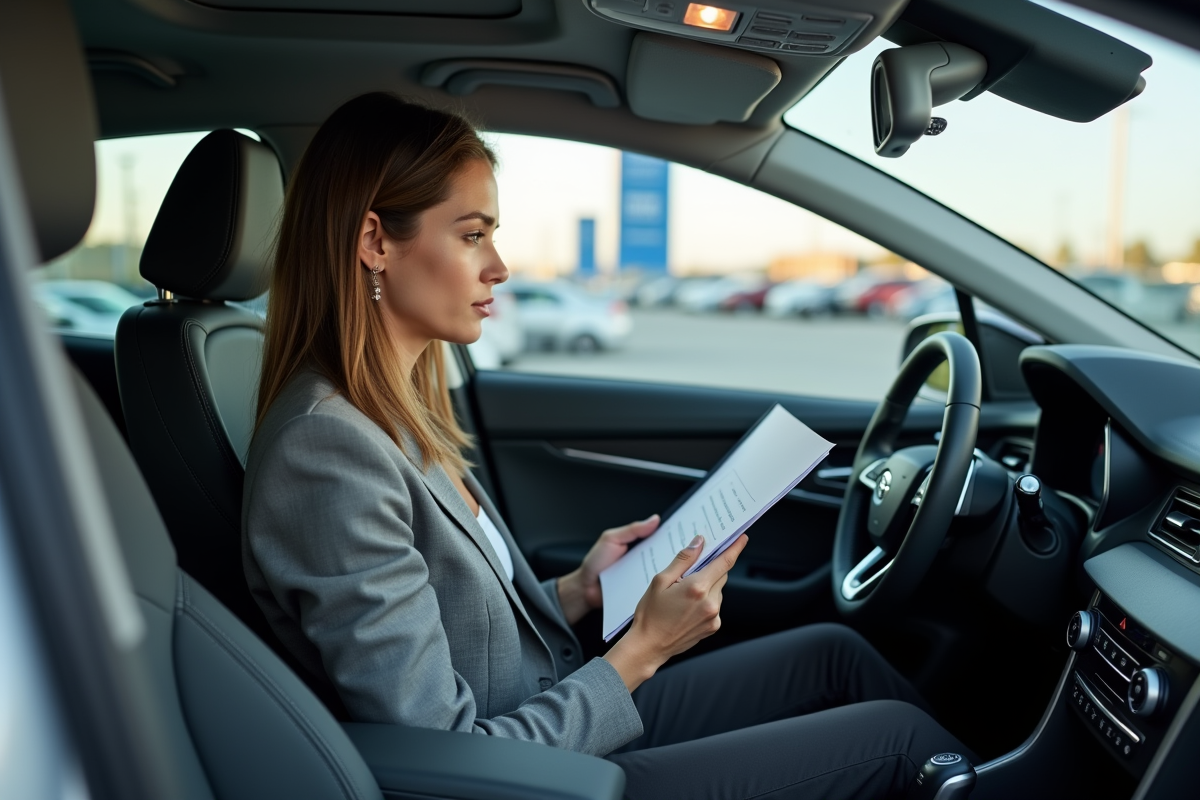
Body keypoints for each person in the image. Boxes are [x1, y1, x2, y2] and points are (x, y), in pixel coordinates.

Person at [242, 92, 973, 800]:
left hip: (546, 716)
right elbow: (447, 751)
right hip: (526, 776)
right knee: (903, 745)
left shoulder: (392, 410)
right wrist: (641, 651)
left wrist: (579, 592)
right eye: (472, 235)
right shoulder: (328, 451)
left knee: (832, 656)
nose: (498, 266)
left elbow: (450, 620)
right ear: (375, 242)